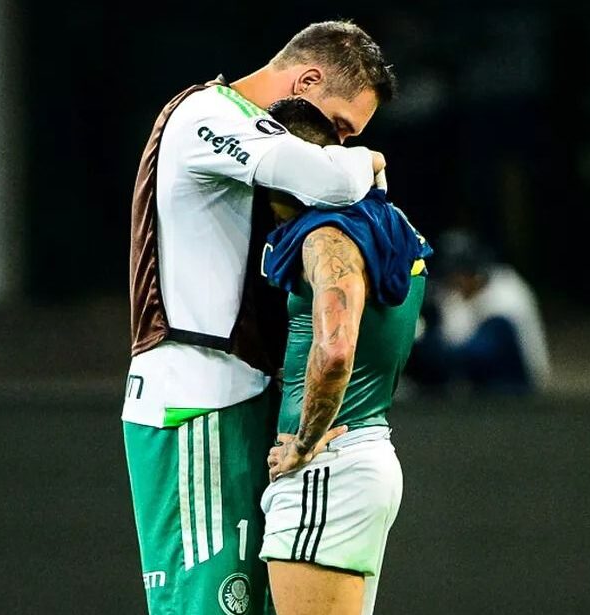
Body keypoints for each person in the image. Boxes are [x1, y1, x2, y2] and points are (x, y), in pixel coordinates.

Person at [122, 20, 397, 615]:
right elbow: (330, 180)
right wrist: (369, 163)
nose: (339, 145)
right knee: (207, 604)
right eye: (341, 127)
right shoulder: (205, 116)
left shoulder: (248, 134)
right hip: (196, 401)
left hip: (242, 396)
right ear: (308, 79)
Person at [258, 97, 431, 615]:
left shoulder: (326, 234)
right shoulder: (386, 222)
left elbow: (335, 350)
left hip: (327, 468)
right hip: (361, 455)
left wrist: (303, 444)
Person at [405, 230, 550, 396]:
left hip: (519, 386)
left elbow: (477, 353)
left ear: (471, 271)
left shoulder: (507, 292)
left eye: (455, 275)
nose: (450, 282)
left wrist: (424, 346)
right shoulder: (454, 295)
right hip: (480, 386)